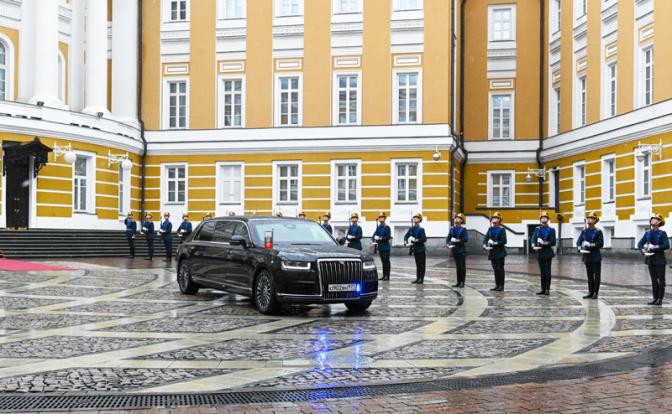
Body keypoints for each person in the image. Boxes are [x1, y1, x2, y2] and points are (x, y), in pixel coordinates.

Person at [637, 214, 670, 305]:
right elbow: (640, 244)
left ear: (659, 222)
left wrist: (655, 247)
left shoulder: (662, 233)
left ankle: (660, 299)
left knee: (661, 281)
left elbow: (666, 245)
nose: (653, 220)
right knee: (654, 280)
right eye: (653, 219)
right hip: (650, 259)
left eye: (655, 219)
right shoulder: (647, 233)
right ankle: (655, 298)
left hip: (660, 260)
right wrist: (643, 250)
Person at [575, 212, 604, 299]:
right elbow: (578, 241)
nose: (589, 220)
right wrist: (579, 247)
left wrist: (590, 244)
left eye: (591, 218)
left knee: (596, 275)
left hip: (595, 256)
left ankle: (595, 292)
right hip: (587, 256)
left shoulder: (598, 232)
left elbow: (600, 243)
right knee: (589, 275)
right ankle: (590, 292)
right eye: (588, 218)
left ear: (595, 220)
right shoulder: (584, 231)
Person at [530, 211, 557, 296]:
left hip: (547, 252)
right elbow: (533, 238)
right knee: (542, 272)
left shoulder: (551, 230)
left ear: (548, 220)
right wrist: (533, 244)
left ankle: (547, 289)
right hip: (540, 252)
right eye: (542, 217)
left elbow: (553, 242)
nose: (543, 219)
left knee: (547, 272)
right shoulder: (537, 229)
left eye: (545, 218)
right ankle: (542, 289)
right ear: (540, 219)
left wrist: (544, 242)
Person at [483, 212, 507, 291]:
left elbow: (504, 241)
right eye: (493, 218)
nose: (493, 219)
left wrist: (495, 242)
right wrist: (484, 244)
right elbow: (486, 237)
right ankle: (497, 285)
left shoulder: (502, 229)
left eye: (495, 218)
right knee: (495, 269)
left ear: (499, 220)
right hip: (492, 252)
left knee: (500, 269)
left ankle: (501, 286)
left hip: (500, 252)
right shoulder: (490, 229)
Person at [404, 213, 427, 284]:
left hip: (421, 249)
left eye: (417, 218)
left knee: (421, 265)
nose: (415, 219)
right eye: (414, 218)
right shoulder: (411, 229)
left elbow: (424, 239)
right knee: (417, 265)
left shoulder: (421, 229)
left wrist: (416, 240)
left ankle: (421, 279)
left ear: (420, 220)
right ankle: (417, 278)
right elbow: (406, 235)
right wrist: (405, 240)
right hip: (415, 249)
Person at [446, 213, 468, 287]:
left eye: (458, 218)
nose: (456, 219)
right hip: (455, 250)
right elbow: (448, 238)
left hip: (461, 250)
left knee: (462, 267)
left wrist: (459, 240)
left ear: (461, 220)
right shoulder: (452, 229)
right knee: (458, 267)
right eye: (456, 218)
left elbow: (466, 239)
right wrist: (448, 244)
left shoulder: (463, 229)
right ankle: (458, 282)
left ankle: (462, 282)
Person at [372, 212, 392, 281]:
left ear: (385, 218)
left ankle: (387, 276)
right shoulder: (379, 227)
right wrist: (373, 239)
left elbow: (388, 237)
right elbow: (374, 234)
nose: (380, 219)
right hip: (380, 247)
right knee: (383, 262)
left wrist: (380, 238)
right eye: (380, 217)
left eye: (382, 217)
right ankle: (384, 275)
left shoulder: (387, 227)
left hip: (386, 247)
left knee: (386, 262)